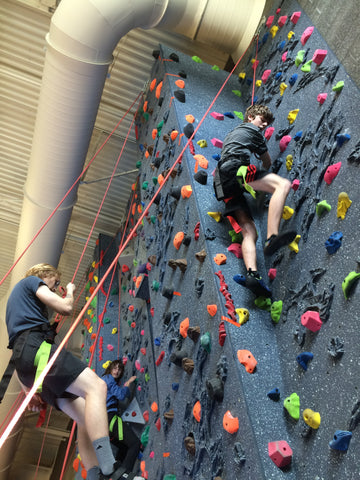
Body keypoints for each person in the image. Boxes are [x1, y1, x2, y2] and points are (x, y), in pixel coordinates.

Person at [5, 263, 144, 480]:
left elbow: (18, 354)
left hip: (27, 367)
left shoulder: (18, 310)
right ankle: (111, 467)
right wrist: (68, 291)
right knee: (97, 386)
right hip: (37, 350)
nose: (54, 287)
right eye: (54, 283)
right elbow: (66, 308)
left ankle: (94, 474)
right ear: (43, 274)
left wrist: (30, 392)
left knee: (84, 415)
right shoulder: (31, 281)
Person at [213, 104, 296, 297]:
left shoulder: (233, 133)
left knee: (249, 231)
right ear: (250, 117)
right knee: (282, 185)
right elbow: (266, 161)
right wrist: (266, 166)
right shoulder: (251, 130)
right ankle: (273, 236)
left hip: (222, 183)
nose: (264, 125)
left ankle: (252, 274)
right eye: (262, 120)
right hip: (237, 170)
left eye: (266, 123)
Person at [103, 360, 141, 476]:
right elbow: (120, 395)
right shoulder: (108, 378)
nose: (117, 371)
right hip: (110, 418)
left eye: (119, 369)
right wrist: (128, 383)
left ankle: (115, 473)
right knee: (135, 444)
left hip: (106, 422)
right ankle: (122, 476)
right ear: (110, 369)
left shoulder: (106, 381)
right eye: (114, 368)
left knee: (124, 448)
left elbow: (122, 395)